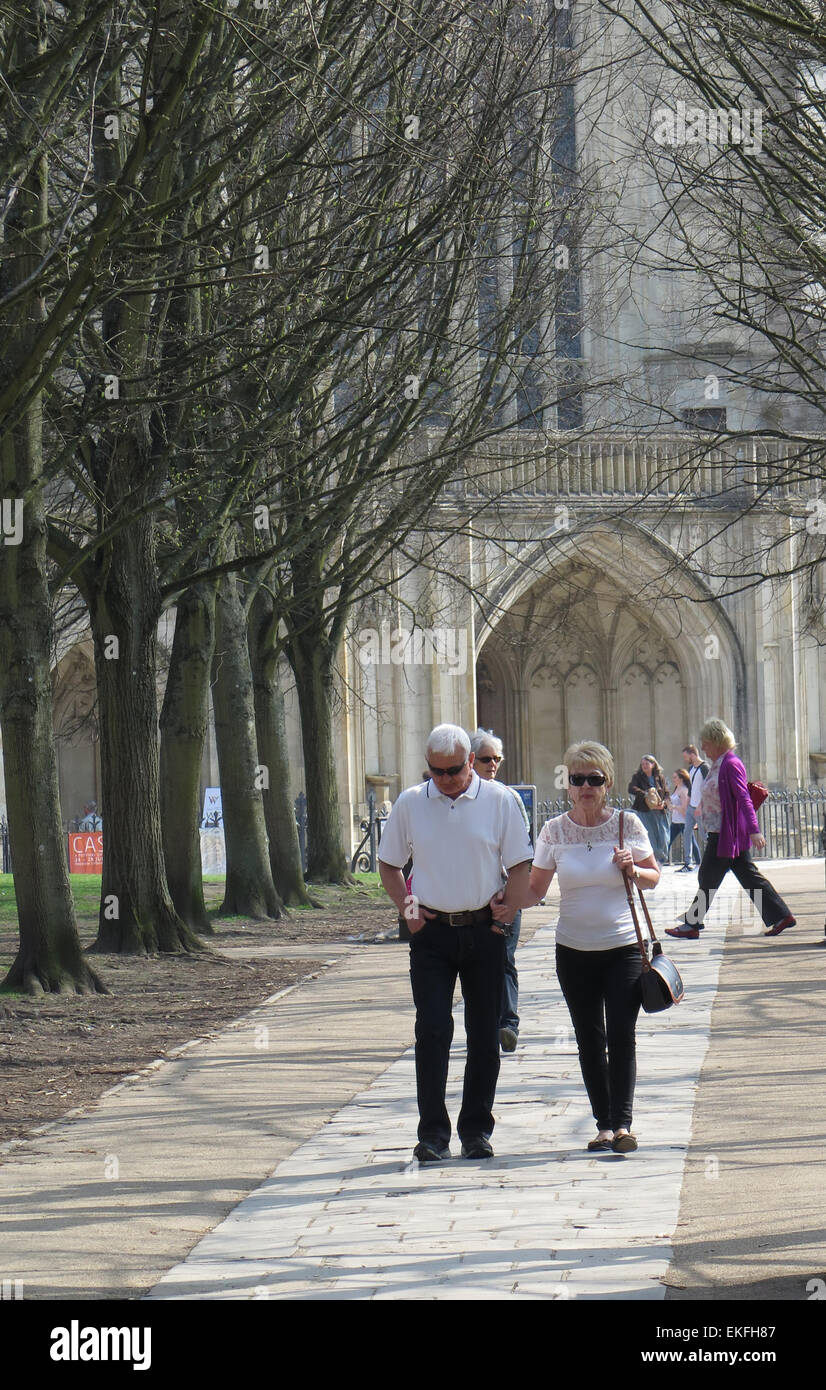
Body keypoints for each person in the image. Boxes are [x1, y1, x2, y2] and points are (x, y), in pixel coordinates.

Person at [494, 741, 660, 1154]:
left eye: (594, 779)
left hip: (624, 947)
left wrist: (632, 868)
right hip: (573, 951)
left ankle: (623, 1125)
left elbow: (654, 878)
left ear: (608, 783)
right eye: (577, 779)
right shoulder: (554, 832)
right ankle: (603, 1125)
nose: (585, 786)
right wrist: (503, 902)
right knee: (589, 1037)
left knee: (621, 1035)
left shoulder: (627, 824)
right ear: (568, 784)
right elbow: (535, 889)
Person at [378, 723, 532, 1163]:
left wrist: (509, 912)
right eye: (436, 772)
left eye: (453, 771)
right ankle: (432, 1135)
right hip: (432, 934)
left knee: (483, 1035)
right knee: (432, 1031)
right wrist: (408, 910)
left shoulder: (500, 801)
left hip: (484, 930)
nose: (445, 780)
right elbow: (388, 865)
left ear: (471, 763)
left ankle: (476, 1131)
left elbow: (521, 864)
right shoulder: (411, 803)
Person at [666, 719, 796, 940]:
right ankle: (781, 915)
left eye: (706, 743)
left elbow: (743, 798)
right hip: (721, 830)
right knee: (748, 876)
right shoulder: (719, 764)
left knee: (708, 876)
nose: (703, 748)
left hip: (727, 833)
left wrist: (754, 830)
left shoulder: (731, 764)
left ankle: (692, 924)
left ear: (716, 741)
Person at [469, 728, 530, 1054]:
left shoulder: (509, 798)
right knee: (476, 962)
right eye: (486, 759)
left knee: (504, 957)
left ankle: (508, 1024)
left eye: (497, 759)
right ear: (471, 760)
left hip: (505, 892)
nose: (493, 764)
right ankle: (484, 1023)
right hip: (471, 898)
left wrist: (513, 889)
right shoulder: (461, 802)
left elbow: (523, 848)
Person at [628, 755, 670, 864]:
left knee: (664, 837)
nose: (644, 766)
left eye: (647, 764)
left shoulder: (659, 777)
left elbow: (666, 793)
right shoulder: (637, 777)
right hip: (645, 811)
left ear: (653, 764)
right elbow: (632, 788)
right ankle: (656, 859)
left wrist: (664, 803)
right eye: (642, 764)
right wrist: (646, 794)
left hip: (659, 811)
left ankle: (661, 857)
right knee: (650, 836)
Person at [679, 744, 707, 872]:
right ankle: (687, 862)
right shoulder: (691, 768)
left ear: (692, 754)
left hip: (700, 808)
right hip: (691, 806)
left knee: (704, 835)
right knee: (687, 833)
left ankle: (714, 860)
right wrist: (688, 802)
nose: (686, 759)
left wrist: (701, 805)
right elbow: (691, 787)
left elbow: (707, 788)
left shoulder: (705, 768)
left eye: (686, 756)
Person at [668, 769, 692, 863]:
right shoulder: (676, 788)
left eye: (675, 777)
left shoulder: (684, 790)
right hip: (675, 821)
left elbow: (685, 807)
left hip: (683, 821)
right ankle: (660, 860)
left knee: (690, 842)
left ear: (681, 778)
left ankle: (696, 862)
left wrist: (674, 807)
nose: (673, 779)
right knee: (668, 841)